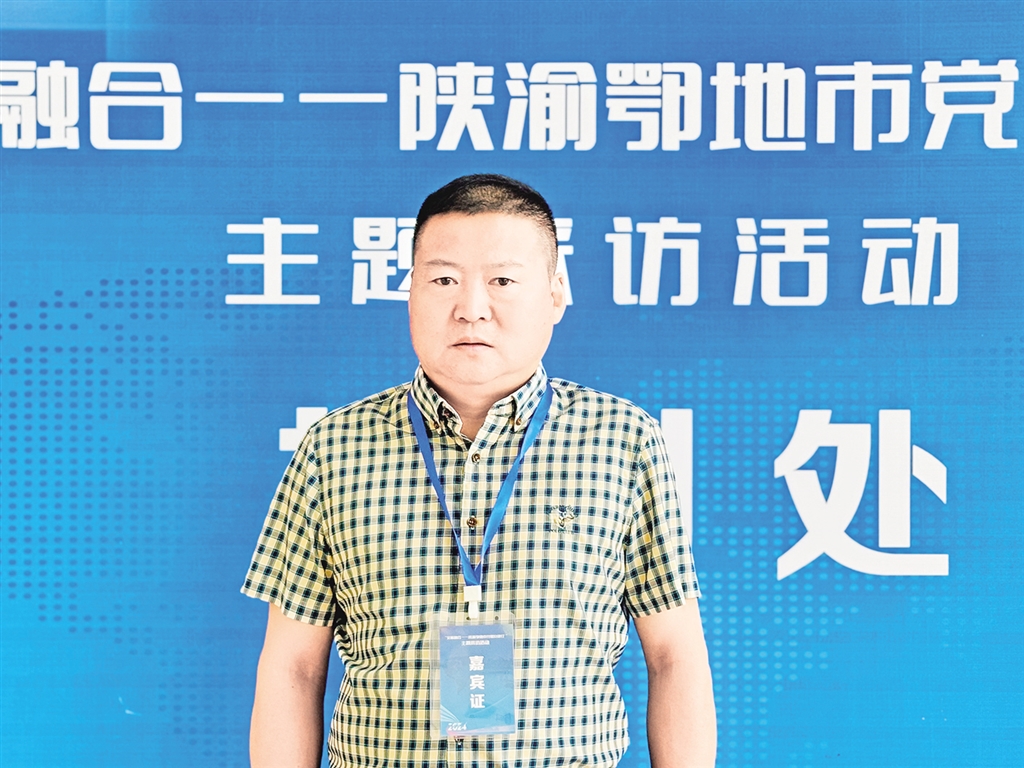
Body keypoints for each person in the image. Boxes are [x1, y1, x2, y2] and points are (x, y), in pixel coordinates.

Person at [242, 174, 716, 767]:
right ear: (411, 292)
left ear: (555, 295)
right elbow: (292, 665)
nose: (471, 309)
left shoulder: (624, 440)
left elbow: (675, 656)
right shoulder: (334, 448)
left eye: (502, 281)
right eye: (444, 280)